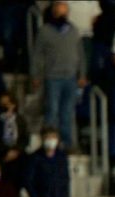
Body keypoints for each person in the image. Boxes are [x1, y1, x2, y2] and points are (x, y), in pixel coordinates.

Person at [32, 1, 86, 150]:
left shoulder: (73, 30)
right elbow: (37, 56)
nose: (62, 15)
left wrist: (82, 74)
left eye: (65, 12)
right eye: (59, 12)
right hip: (52, 77)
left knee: (67, 113)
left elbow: (80, 54)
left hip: (71, 78)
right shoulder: (45, 31)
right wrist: (36, 75)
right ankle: (49, 142)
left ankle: (66, 143)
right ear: (53, 13)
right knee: (52, 111)